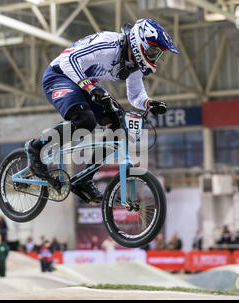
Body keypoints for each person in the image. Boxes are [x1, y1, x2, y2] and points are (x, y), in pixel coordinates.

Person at [25, 19, 179, 203]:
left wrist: (148, 103)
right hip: (59, 75)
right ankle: (36, 147)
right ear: (139, 43)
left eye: (158, 53)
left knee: (117, 124)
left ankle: (84, 179)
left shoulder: (135, 64)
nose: (155, 56)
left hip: (83, 82)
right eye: (153, 51)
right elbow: (68, 60)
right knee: (85, 121)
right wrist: (90, 88)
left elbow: (136, 95)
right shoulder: (108, 45)